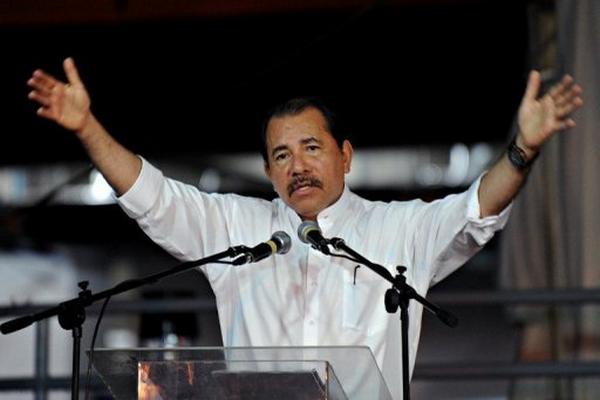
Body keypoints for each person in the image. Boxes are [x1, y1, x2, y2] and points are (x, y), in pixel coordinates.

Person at [27, 58, 583, 399]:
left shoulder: (398, 230)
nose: (298, 167)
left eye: (312, 149)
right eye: (282, 155)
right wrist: (86, 127)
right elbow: (151, 196)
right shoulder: (238, 227)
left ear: (345, 156)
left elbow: (476, 211)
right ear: (269, 172)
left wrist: (523, 147)